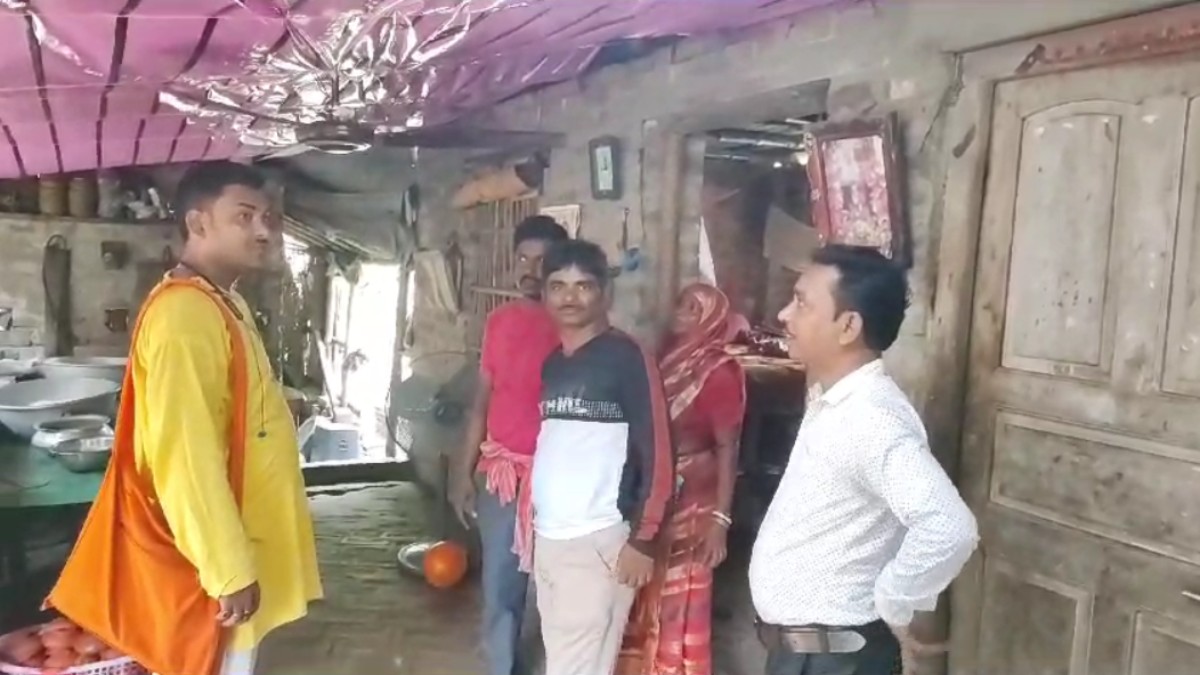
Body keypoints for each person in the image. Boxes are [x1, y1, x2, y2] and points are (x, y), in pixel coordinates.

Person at [47, 161, 323, 675]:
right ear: (198, 223)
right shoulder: (185, 316)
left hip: (244, 535)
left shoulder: (222, 301)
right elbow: (186, 457)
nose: (264, 230)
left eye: (268, 217)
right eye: (244, 216)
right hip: (210, 564)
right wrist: (227, 568)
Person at [748, 245, 978, 675]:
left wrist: (895, 599)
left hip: (835, 660)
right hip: (809, 654)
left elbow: (949, 526)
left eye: (801, 302)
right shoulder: (837, 402)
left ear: (849, 326)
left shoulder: (871, 418)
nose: (783, 314)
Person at [532, 239, 675, 675]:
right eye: (558, 286)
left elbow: (658, 450)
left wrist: (643, 539)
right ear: (544, 294)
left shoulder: (626, 358)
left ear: (605, 293)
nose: (569, 297)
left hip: (597, 540)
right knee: (567, 660)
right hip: (550, 538)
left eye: (583, 286)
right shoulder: (554, 364)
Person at [448, 214, 569, 675]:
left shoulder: (575, 328)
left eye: (542, 260)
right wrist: (463, 473)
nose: (531, 271)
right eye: (523, 259)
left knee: (558, 586)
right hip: (501, 475)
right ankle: (502, 667)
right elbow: (481, 402)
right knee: (501, 584)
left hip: (559, 478)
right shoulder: (499, 322)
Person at [618, 283, 747, 675]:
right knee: (643, 588)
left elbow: (728, 447)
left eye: (693, 308)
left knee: (679, 596)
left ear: (711, 319)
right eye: (680, 304)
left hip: (694, 502)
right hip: (653, 490)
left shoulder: (717, 371)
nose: (680, 313)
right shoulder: (661, 360)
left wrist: (720, 521)